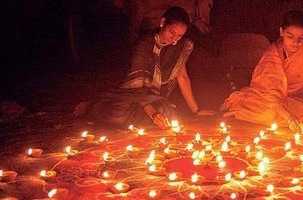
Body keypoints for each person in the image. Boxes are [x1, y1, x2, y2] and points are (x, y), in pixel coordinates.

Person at [79, 6, 214, 129]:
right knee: (117, 114)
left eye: (179, 36)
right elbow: (137, 89)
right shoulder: (144, 45)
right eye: (171, 32)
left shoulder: (178, 47)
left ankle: (148, 117)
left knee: (165, 110)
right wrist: (153, 115)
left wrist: (196, 111)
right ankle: (91, 107)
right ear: (162, 23)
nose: (174, 39)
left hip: (153, 99)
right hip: (131, 98)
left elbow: (183, 77)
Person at [220, 10, 303, 133]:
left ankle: (282, 116)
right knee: (268, 114)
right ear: (281, 32)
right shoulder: (272, 55)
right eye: (290, 36)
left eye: (301, 38)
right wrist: (290, 118)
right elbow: (271, 95)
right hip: (267, 98)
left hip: (290, 99)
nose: (295, 43)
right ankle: (239, 106)